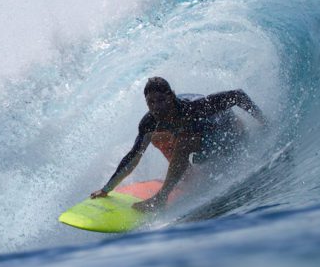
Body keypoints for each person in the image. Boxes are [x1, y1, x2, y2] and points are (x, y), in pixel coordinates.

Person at [91, 76, 267, 212]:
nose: (156, 107)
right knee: (156, 137)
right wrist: (106, 189)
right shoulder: (150, 121)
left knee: (184, 141)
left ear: (171, 96)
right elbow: (133, 156)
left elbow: (237, 95)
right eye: (151, 102)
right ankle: (186, 176)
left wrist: (264, 121)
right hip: (201, 142)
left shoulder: (192, 109)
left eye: (160, 100)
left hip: (228, 136)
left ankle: (161, 198)